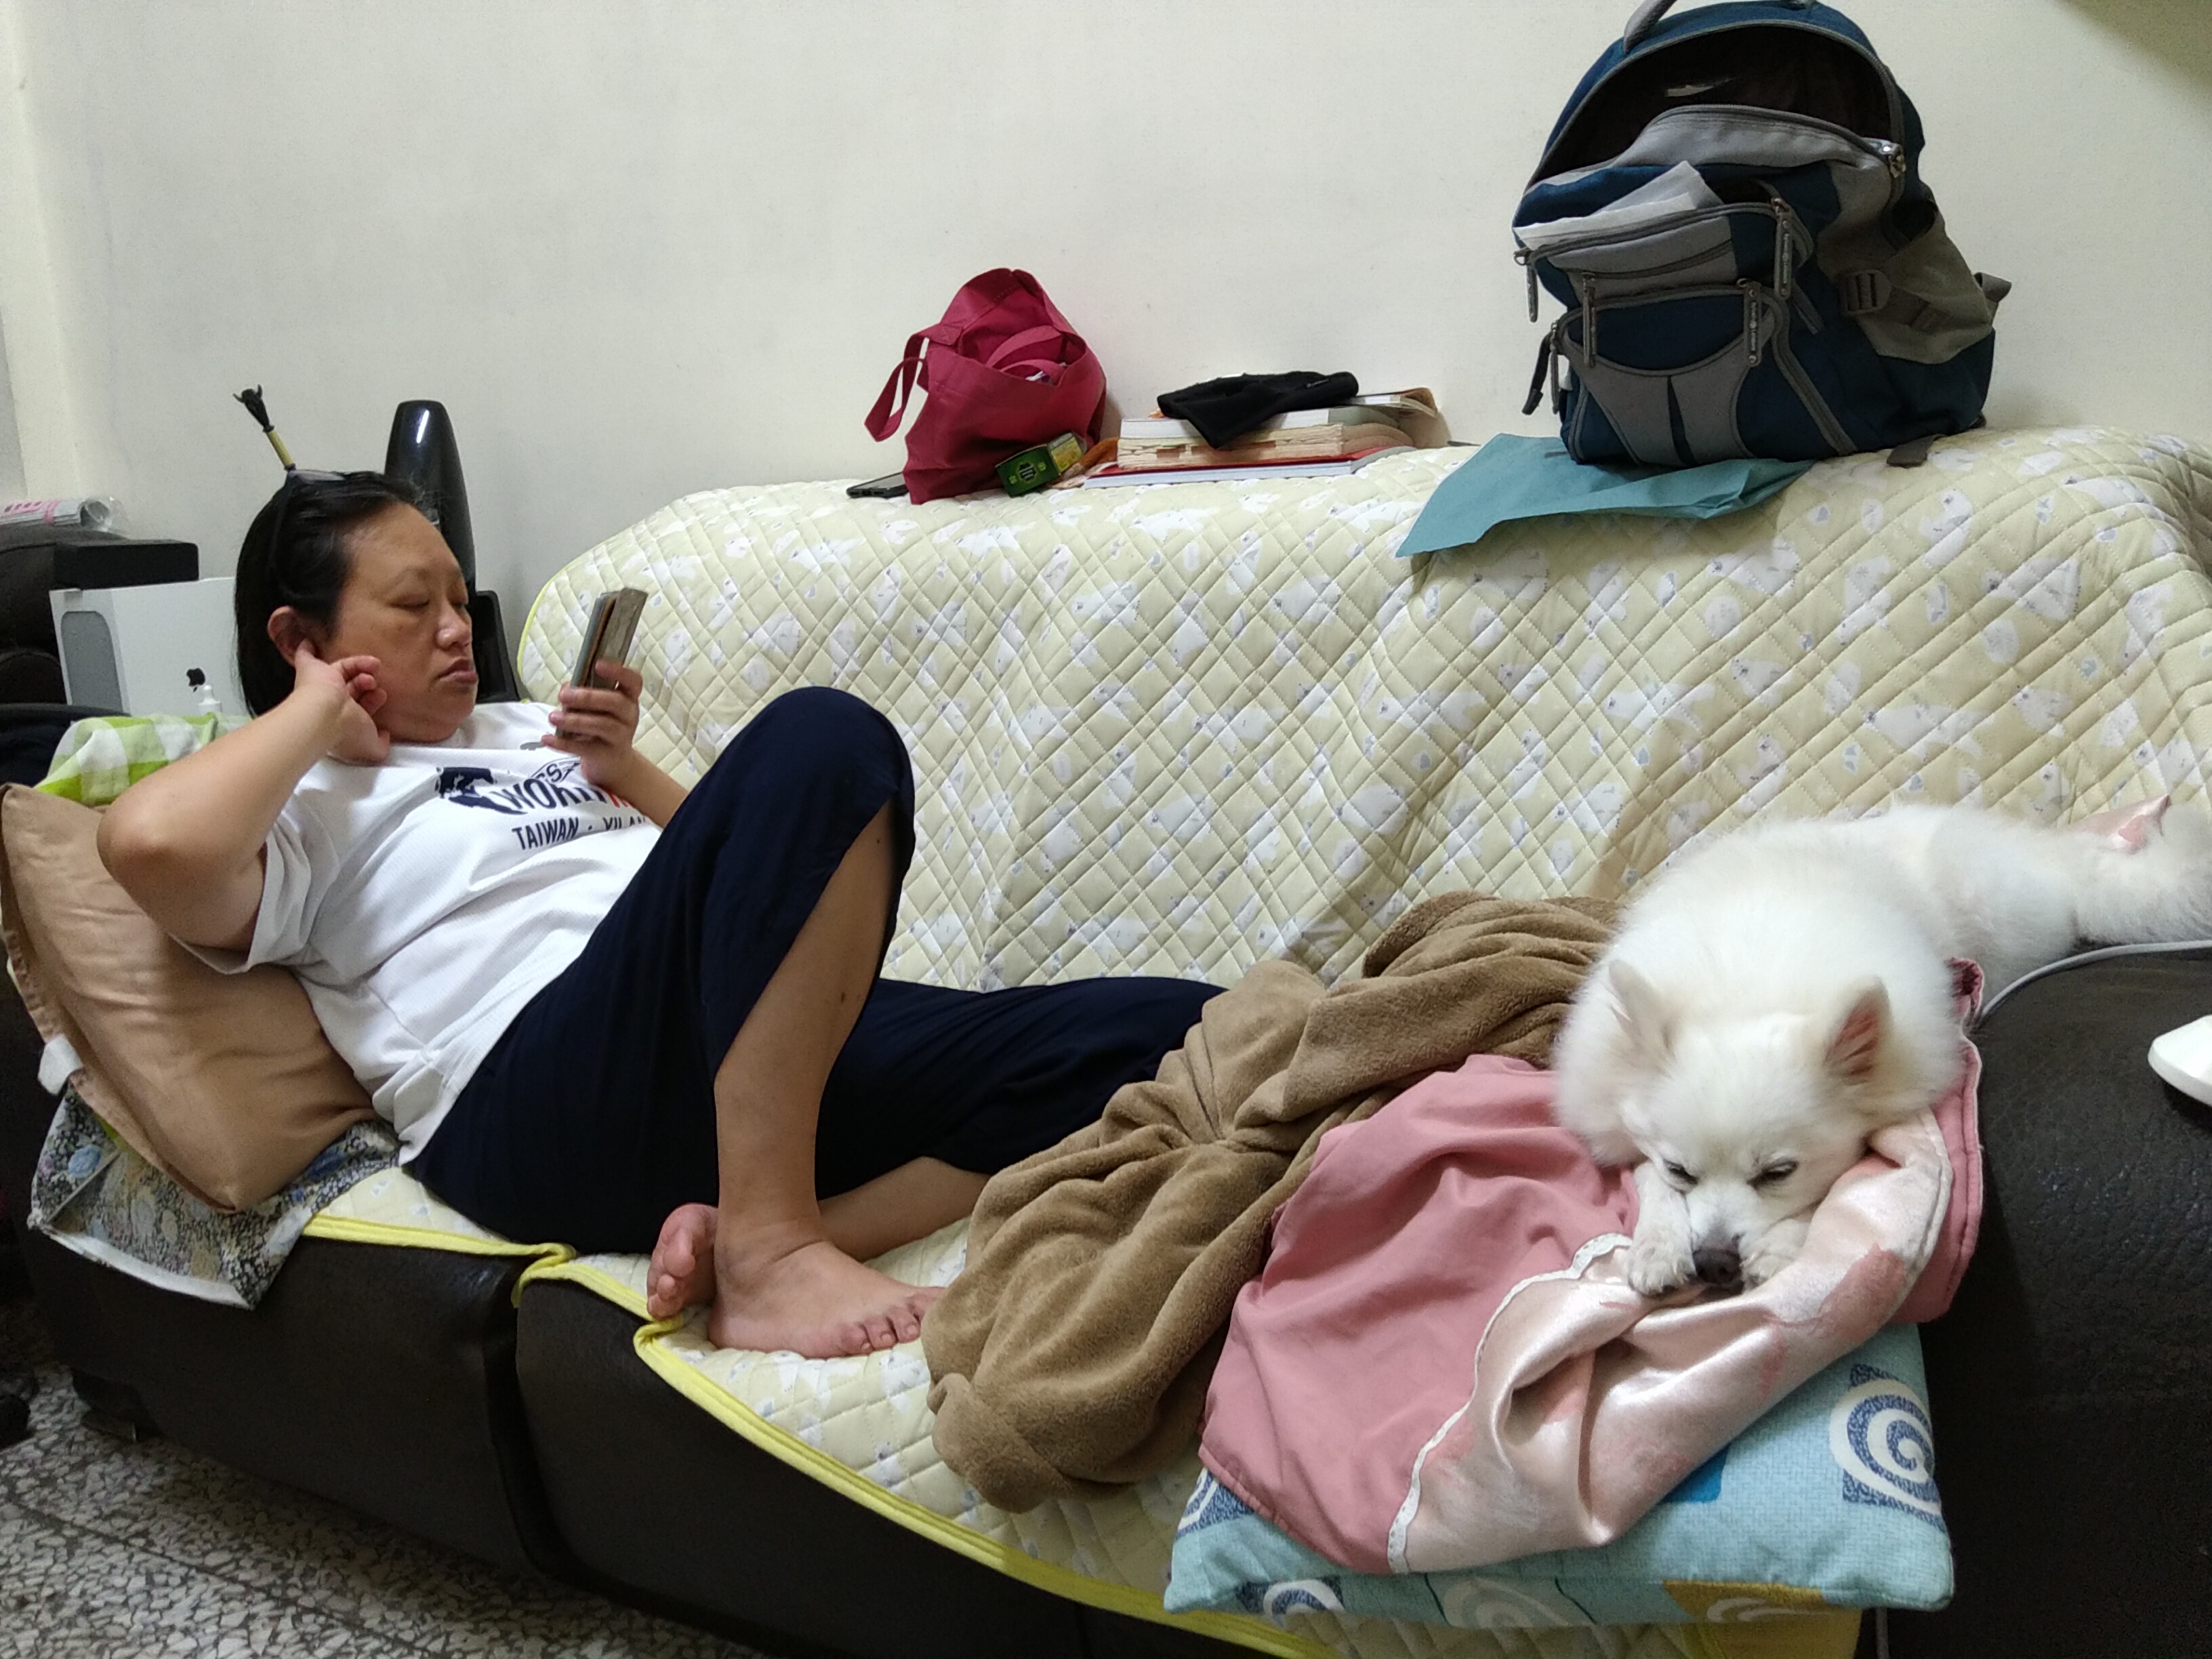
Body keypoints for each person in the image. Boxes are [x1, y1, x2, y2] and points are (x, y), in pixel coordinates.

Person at [100, 470, 1218, 1358]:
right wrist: (312, 711)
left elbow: (765, 882)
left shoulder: (527, 729)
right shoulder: (297, 805)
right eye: (410, 607)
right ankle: (776, 1258)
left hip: (737, 1069)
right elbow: (148, 845)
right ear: (298, 638)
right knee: (824, 733)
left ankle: (757, 1232)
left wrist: (625, 772)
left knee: (1183, 1036)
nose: (454, 629)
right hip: (539, 1094)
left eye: (456, 598)